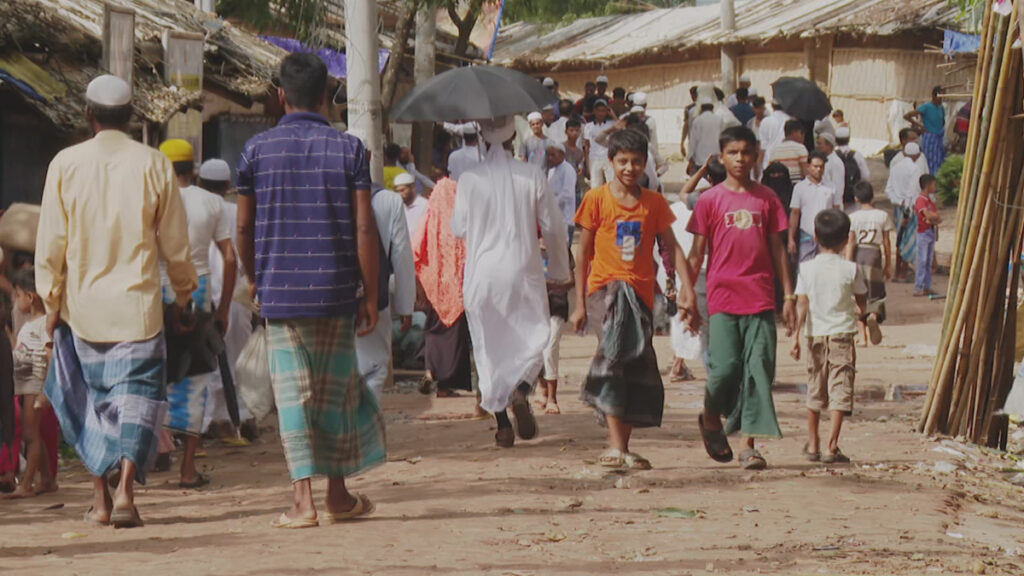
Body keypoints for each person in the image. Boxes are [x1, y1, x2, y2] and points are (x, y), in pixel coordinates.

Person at [38, 74, 198, 528]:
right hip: (139, 309)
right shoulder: (153, 164)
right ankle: (126, 490)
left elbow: (50, 243)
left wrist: (51, 304)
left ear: (88, 115)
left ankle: (101, 501)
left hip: (82, 308)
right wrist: (184, 294)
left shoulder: (64, 164)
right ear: (131, 116)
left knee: (92, 403)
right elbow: (175, 244)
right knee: (137, 400)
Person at [235, 53, 385, 528]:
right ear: (326, 96)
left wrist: (253, 274)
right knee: (334, 393)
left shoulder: (255, 152)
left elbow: (242, 226)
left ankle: (303, 503)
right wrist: (369, 292)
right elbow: (365, 227)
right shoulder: (350, 150)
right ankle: (337, 495)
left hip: (280, 293)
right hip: (336, 290)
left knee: (292, 394)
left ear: (281, 96)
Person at [572, 129, 698, 470]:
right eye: (623, 161)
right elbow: (582, 254)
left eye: (636, 161)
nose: (629, 168)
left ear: (646, 164)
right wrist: (581, 303)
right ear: (611, 162)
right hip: (606, 291)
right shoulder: (596, 199)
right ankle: (613, 443)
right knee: (613, 357)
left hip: (642, 293)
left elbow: (672, 248)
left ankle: (622, 447)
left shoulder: (653, 203)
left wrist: (688, 291)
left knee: (635, 365)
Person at [452, 115, 570, 448]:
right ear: (512, 137)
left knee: (488, 349)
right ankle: (522, 389)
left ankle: (503, 424)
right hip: (523, 272)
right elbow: (554, 227)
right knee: (533, 338)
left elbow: (459, 228)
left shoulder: (470, 178)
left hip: (482, 275)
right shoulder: (531, 174)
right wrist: (560, 272)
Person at [687, 126, 795, 471]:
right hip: (722, 296)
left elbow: (779, 250)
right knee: (724, 369)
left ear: (756, 156)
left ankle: (750, 444)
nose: (740, 159)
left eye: (746, 152)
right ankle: (710, 418)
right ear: (721, 157)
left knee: (758, 370)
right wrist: (687, 296)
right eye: (733, 152)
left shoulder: (767, 199)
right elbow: (696, 253)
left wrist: (789, 295)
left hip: (761, 296)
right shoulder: (710, 200)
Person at [157, 138, 237, 489]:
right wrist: (223, 308)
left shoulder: (152, 201)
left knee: (154, 373)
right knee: (195, 379)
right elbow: (230, 258)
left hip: (156, 293)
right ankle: (187, 469)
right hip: (198, 293)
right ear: (193, 169)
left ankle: (147, 457)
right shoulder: (211, 202)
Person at [791, 209, 866, 465]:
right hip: (842, 334)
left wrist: (795, 337)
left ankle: (813, 443)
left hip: (814, 335)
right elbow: (862, 300)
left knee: (815, 387)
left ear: (814, 236)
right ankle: (832, 446)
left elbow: (802, 303)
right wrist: (862, 312)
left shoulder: (806, 269)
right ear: (846, 239)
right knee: (840, 387)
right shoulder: (851, 269)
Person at [199, 159, 256, 441]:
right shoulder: (236, 212)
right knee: (238, 358)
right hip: (237, 295)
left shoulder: (193, 207)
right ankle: (240, 417)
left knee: (207, 361)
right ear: (226, 187)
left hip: (203, 294)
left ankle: (209, 420)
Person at [412, 177, 474, 399]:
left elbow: (415, 250)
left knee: (433, 331)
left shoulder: (429, 218)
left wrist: (421, 285)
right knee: (454, 338)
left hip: (434, 288)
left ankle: (429, 372)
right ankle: (445, 385)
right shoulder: (462, 221)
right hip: (457, 289)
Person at [356, 171, 415, 398]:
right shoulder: (389, 201)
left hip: (333, 300)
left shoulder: (325, 194)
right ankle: (365, 429)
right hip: (376, 298)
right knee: (373, 370)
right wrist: (405, 305)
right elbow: (401, 258)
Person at [3, 268, 57, 499]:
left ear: (30, 297)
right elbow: (20, 349)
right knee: (34, 434)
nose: (16, 300)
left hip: (35, 384)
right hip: (25, 385)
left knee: (30, 435)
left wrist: (49, 387)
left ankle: (26, 485)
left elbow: (50, 355)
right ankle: (47, 479)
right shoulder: (30, 324)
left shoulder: (44, 323)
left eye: (18, 295)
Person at [847, 181, 893, 347]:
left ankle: (863, 337)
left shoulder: (852, 217)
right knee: (876, 293)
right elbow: (887, 243)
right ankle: (873, 315)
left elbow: (851, 242)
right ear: (872, 196)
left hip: (859, 254)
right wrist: (888, 264)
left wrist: (848, 263)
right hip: (874, 254)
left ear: (856, 198)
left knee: (859, 295)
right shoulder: (882, 216)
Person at [789, 151, 841, 263]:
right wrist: (791, 239)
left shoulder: (831, 187)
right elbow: (794, 213)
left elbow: (836, 212)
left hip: (826, 236)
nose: (819, 169)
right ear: (808, 166)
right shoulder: (799, 188)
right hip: (806, 235)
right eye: (815, 166)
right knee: (805, 269)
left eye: (821, 167)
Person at [888, 143, 925, 281]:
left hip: (898, 207)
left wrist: (898, 201)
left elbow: (889, 189)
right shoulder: (915, 169)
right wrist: (908, 210)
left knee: (899, 238)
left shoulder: (895, 167)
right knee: (908, 239)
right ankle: (902, 272)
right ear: (916, 155)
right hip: (909, 209)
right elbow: (912, 192)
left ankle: (898, 270)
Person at [905, 86, 946, 174]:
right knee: (929, 161)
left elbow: (942, 121)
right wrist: (920, 126)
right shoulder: (926, 107)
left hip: (939, 138)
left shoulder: (941, 108)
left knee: (939, 161)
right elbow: (907, 116)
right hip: (930, 138)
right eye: (940, 97)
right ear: (934, 96)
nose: (941, 99)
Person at [914, 174, 941, 297]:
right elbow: (930, 215)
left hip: (929, 231)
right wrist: (932, 217)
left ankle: (926, 286)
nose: (935, 187)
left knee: (928, 260)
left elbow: (936, 217)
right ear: (927, 185)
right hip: (923, 232)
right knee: (923, 260)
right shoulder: (921, 200)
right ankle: (919, 286)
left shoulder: (929, 201)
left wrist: (932, 217)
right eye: (933, 185)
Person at [547, 141, 578, 244]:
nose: (550, 158)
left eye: (553, 155)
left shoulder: (568, 170)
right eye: (548, 155)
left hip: (565, 219)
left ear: (562, 154)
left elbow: (567, 194)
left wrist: (551, 204)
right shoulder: (551, 171)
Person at [583, 99, 616, 188]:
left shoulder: (612, 124)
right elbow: (587, 146)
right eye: (598, 110)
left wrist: (613, 115)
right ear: (594, 111)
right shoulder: (588, 126)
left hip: (608, 157)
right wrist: (587, 165)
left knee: (611, 184)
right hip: (594, 159)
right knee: (595, 187)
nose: (601, 113)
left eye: (603, 110)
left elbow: (622, 127)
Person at [767, 120, 808, 184]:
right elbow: (805, 173)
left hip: (779, 186)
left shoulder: (774, 150)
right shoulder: (800, 148)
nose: (803, 137)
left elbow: (770, 172)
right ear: (795, 132)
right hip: (796, 186)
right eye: (801, 133)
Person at [688, 97, 724, 173]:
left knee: (703, 182)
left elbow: (693, 141)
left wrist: (690, 158)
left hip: (700, 159)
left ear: (701, 108)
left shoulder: (697, 120)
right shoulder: (719, 119)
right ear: (712, 107)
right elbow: (723, 138)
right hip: (716, 157)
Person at [834, 126, 869, 203]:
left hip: (837, 197)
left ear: (835, 140)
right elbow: (865, 175)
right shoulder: (857, 155)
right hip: (853, 196)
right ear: (848, 139)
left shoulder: (833, 156)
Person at [758, 102, 791, 168]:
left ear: (772, 106)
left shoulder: (765, 121)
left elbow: (763, 145)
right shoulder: (789, 119)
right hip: (786, 156)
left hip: (769, 158)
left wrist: (759, 163)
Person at [816, 132, 846, 196]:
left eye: (819, 144)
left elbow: (838, 187)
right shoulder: (822, 160)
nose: (817, 146)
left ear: (829, 145)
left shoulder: (835, 162)